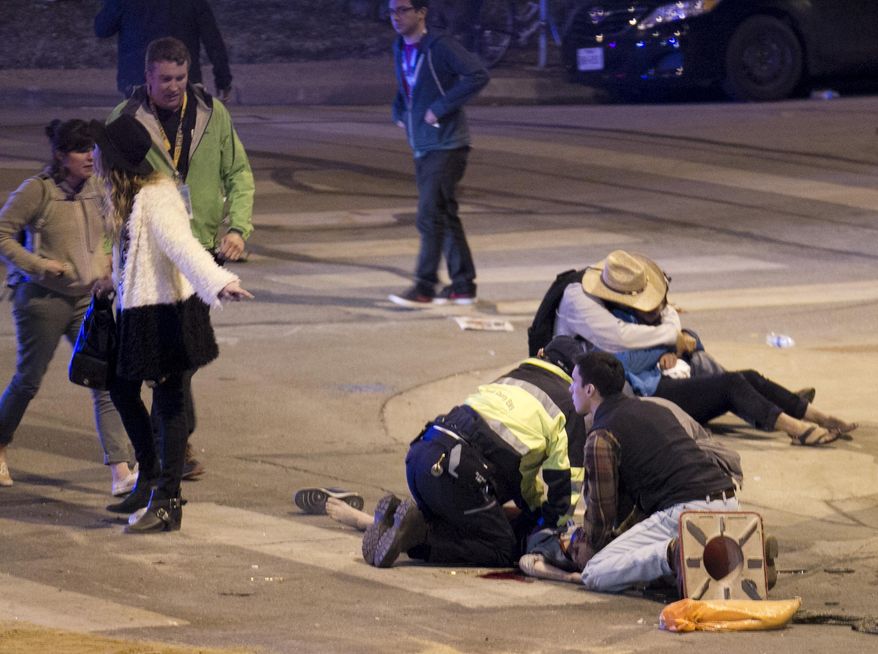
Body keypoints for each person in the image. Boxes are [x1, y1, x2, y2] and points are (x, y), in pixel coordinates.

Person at [91, 114, 252, 533]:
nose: (94, 157)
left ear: (115, 160)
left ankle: (167, 502)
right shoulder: (132, 197)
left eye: (100, 152)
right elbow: (137, 256)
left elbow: (184, 248)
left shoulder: (157, 199)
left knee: (170, 404)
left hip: (168, 315)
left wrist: (220, 282)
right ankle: (149, 478)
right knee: (122, 387)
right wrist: (113, 281)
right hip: (143, 312)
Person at [108, 36, 255, 478]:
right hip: (152, 260)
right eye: (165, 79)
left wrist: (237, 228)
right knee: (163, 366)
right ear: (148, 77)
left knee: (179, 364)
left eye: (181, 78)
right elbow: (108, 203)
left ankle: (167, 453)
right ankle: (168, 455)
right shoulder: (125, 121)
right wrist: (105, 263)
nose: (174, 87)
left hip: (200, 253)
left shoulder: (212, 114)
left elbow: (239, 173)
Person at [553, 249, 857, 445]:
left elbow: (689, 337)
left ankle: (815, 415)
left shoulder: (637, 313)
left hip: (666, 380)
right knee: (731, 384)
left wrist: (676, 347)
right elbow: (625, 362)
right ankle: (795, 428)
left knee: (746, 376)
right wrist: (668, 347)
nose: (655, 310)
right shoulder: (599, 321)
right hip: (651, 394)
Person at [364, 336, 585, 568]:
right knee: (502, 548)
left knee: (464, 519)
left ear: (542, 354)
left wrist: (531, 506)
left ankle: (397, 520)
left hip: (422, 455)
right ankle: (418, 537)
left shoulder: (513, 377)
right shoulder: (569, 404)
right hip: (458, 474)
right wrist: (551, 523)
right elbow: (566, 479)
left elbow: (522, 472)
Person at [0, 119, 136, 494]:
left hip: (86, 301)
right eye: (80, 150)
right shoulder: (37, 191)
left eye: (92, 149)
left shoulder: (97, 188)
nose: (90, 157)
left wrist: (107, 264)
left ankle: (121, 472)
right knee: (28, 380)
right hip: (41, 302)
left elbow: (112, 231)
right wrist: (38, 265)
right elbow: (3, 233)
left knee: (106, 380)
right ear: (61, 155)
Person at [566, 352, 746, 592]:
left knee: (596, 572)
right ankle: (730, 558)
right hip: (729, 502)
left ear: (589, 390)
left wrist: (583, 545)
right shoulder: (653, 407)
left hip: (686, 512)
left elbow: (601, 516)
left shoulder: (600, 437)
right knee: (645, 563)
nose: (570, 389)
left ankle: (674, 552)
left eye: (574, 382)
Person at [386, 0, 490, 307]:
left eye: (404, 9)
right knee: (444, 214)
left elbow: (477, 75)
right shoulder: (399, 48)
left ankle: (424, 287)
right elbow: (407, 87)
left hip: (447, 144)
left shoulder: (440, 46)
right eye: (392, 11)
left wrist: (440, 108)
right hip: (422, 145)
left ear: (421, 12)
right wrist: (398, 110)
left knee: (429, 216)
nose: (396, 16)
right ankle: (463, 286)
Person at [94, 0, 234, 100]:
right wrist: (223, 79)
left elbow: (102, 29)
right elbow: (212, 40)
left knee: (139, 136)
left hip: (138, 80)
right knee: (181, 136)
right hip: (181, 81)